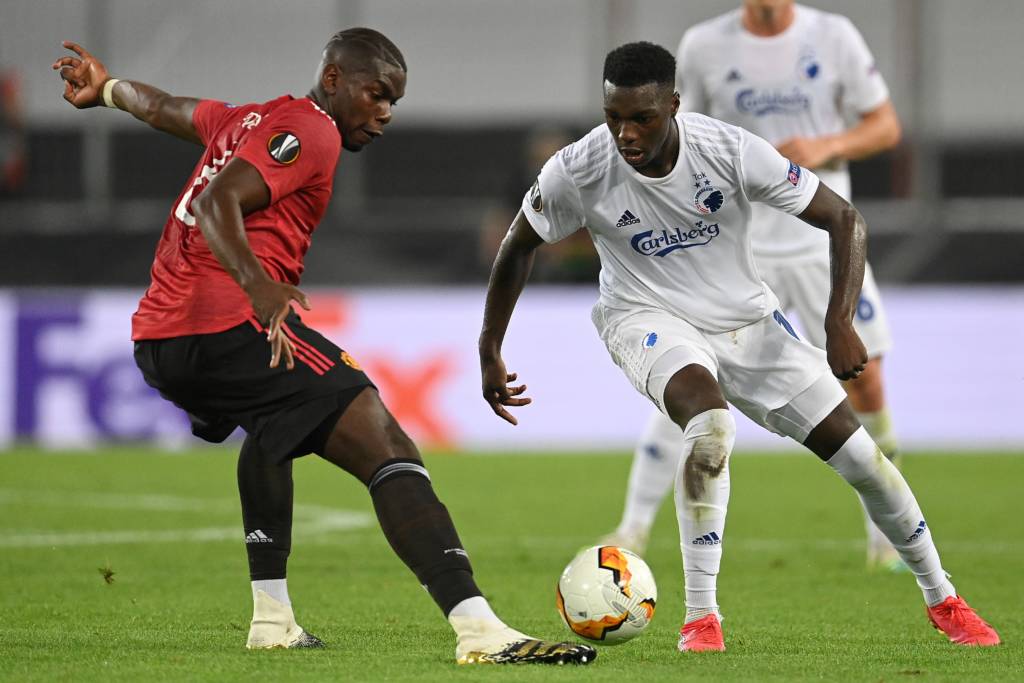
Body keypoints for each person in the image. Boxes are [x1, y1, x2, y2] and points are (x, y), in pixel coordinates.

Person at [52, 32, 595, 666]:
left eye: (393, 102)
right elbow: (216, 200)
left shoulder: (244, 120)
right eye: (376, 94)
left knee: (272, 431)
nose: (384, 112)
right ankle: (479, 629)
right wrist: (258, 286)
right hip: (227, 326)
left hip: (159, 338)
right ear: (333, 79)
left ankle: (272, 619)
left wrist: (108, 89)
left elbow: (164, 107)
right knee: (388, 445)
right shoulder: (312, 130)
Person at [478, 41, 999, 652]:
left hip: (747, 320)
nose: (626, 134)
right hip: (644, 316)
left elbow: (844, 218)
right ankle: (702, 620)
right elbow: (518, 245)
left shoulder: (727, 150)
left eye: (642, 117)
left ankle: (944, 599)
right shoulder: (577, 168)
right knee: (710, 426)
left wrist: (838, 320)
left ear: (674, 105)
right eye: (613, 117)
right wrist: (490, 347)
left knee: (864, 461)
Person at [601, 0, 907, 571]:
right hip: (735, 247)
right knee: (690, 376)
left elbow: (885, 125)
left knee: (866, 383)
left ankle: (883, 536)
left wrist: (828, 147)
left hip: (818, 241)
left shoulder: (834, 36)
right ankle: (633, 526)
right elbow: (676, 139)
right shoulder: (704, 44)